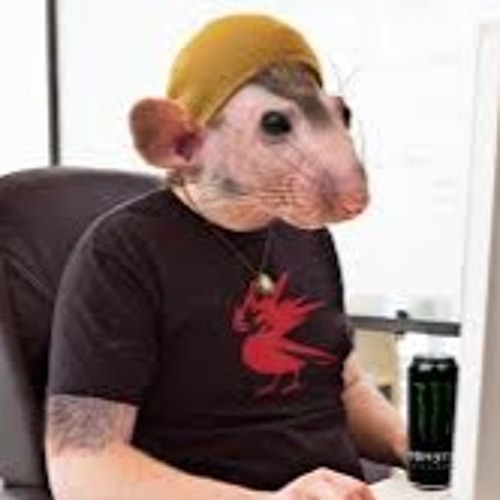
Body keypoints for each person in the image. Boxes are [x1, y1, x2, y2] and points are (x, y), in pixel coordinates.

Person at [45, 13, 406, 500]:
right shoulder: (121, 255)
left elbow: (342, 385)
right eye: (275, 124)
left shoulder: (305, 235)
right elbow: (81, 470)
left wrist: (422, 446)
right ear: (183, 141)